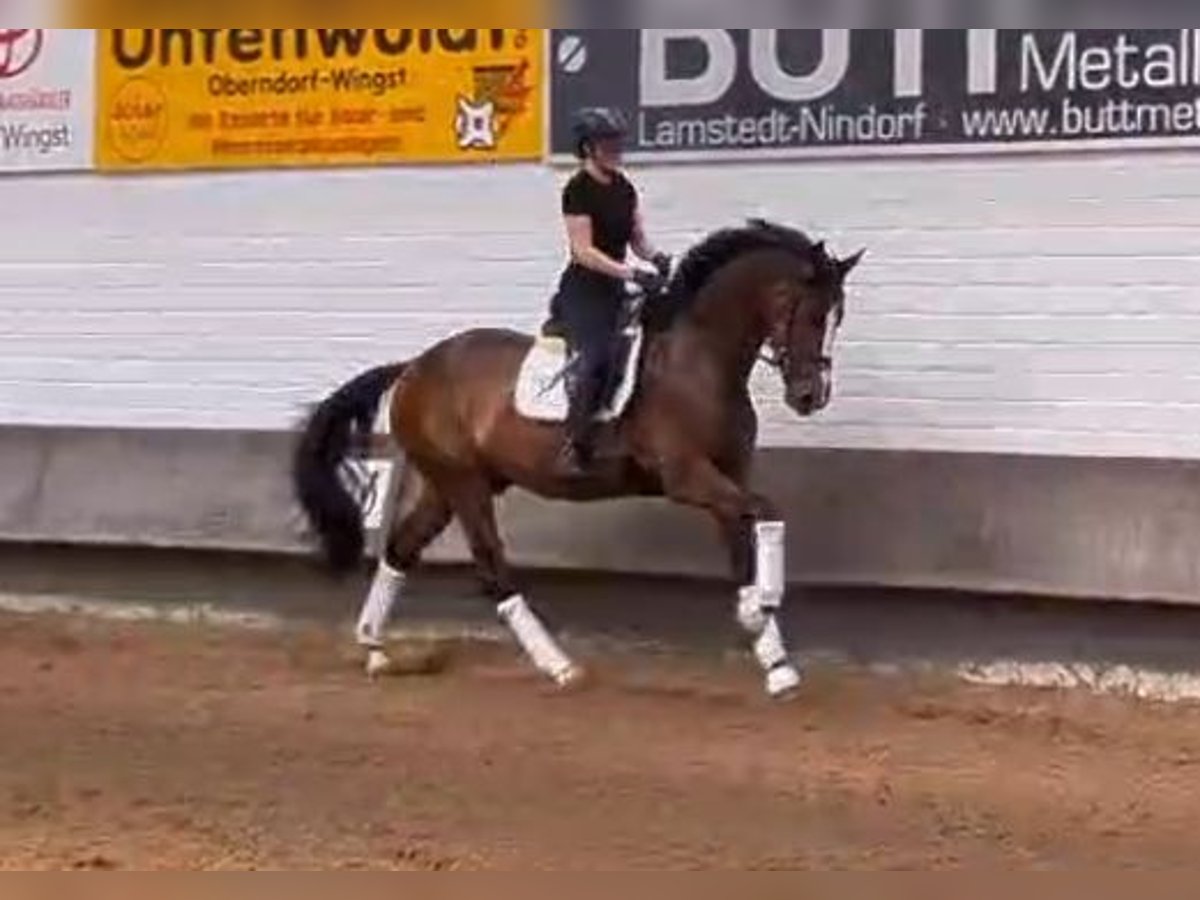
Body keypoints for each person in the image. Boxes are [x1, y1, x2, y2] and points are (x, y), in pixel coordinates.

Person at [550, 107, 672, 476]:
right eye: (607, 143)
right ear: (588, 147)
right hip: (584, 291)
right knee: (598, 356)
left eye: (617, 142)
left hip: (617, 286)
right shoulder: (578, 190)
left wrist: (657, 258)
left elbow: (637, 240)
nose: (616, 149)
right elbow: (583, 252)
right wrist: (632, 272)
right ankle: (576, 443)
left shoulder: (624, 187)